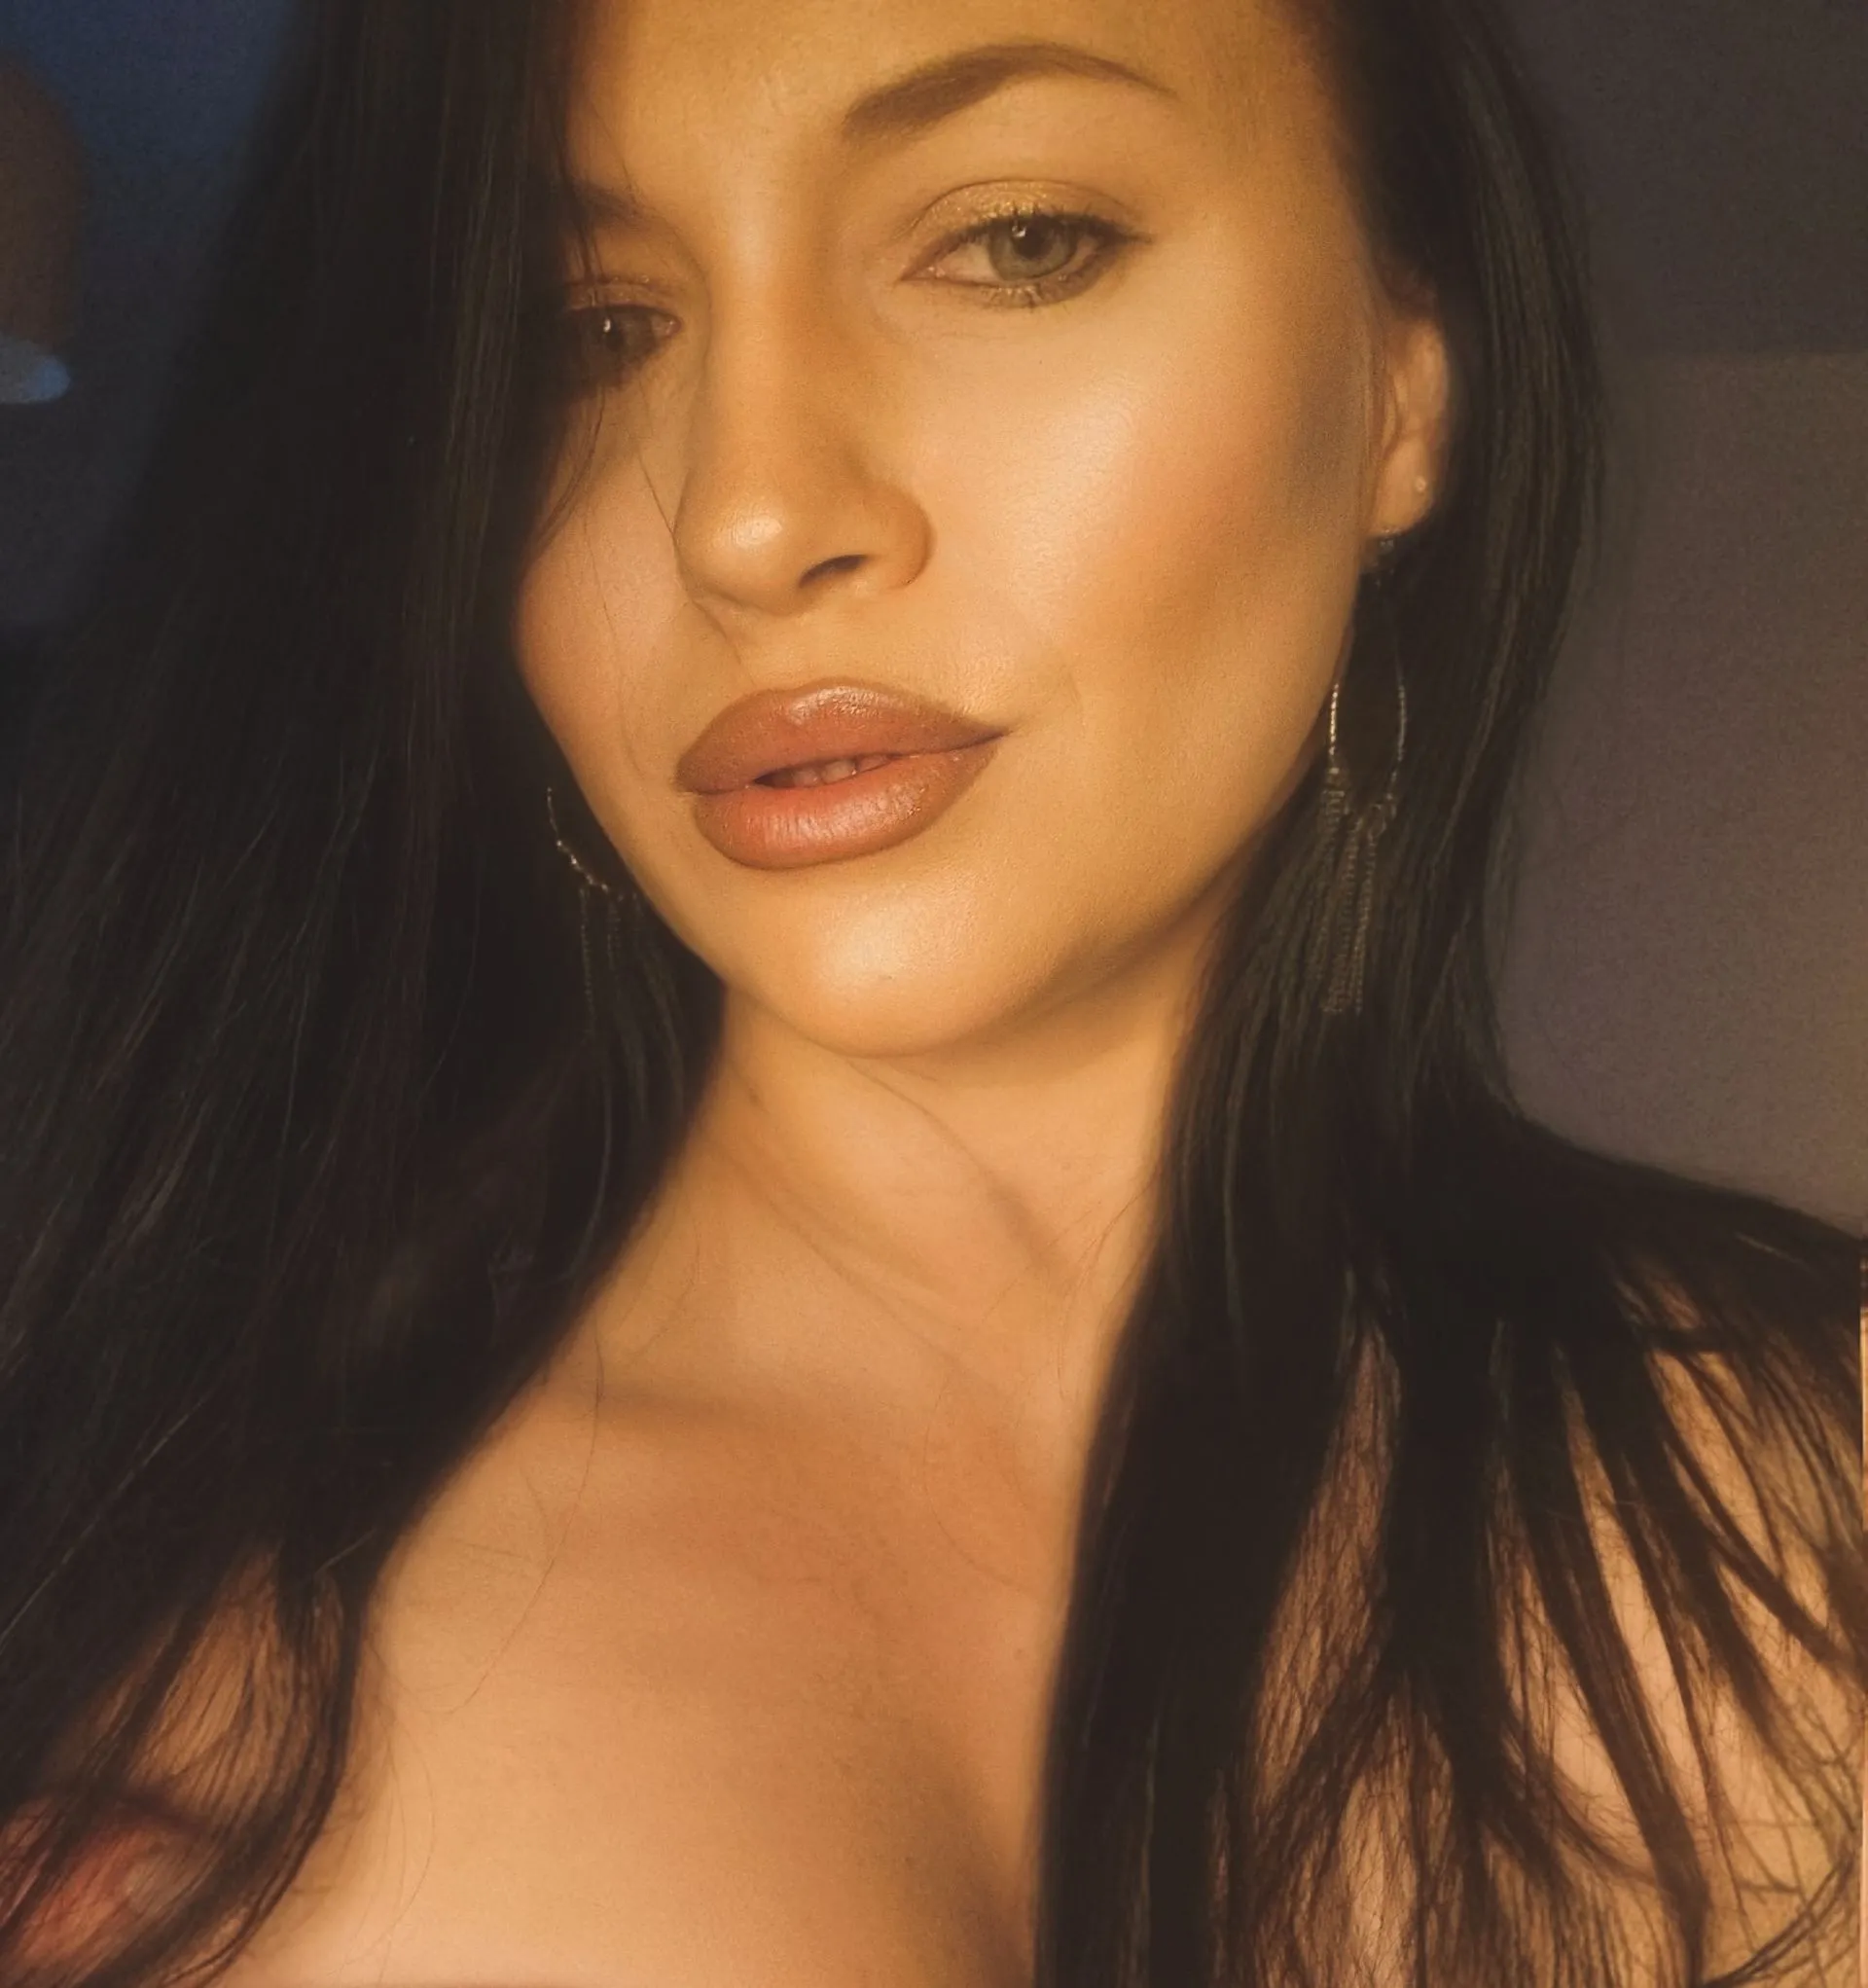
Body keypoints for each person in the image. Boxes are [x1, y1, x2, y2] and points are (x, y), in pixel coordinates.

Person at [0, 0, 1858, 1981]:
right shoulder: (180, 1671)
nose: (746, 518)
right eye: (592, 331)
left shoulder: (1807, 1466)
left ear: (1405, 388)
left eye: (1017, 240)